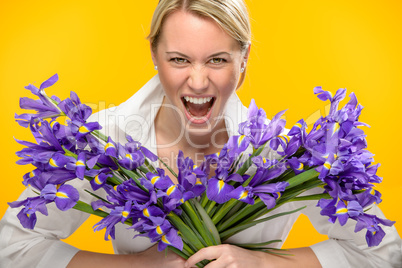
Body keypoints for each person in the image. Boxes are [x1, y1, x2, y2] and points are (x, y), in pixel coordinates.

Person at [1, 0, 401, 267]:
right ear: (155, 58)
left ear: (243, 63)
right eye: (179, 59)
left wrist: (258, 262)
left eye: (217, 60)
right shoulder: (102, 140)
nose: (197, 81)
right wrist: (137, 265)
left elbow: (385, 253)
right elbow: (12, 249)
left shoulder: (282, 153)